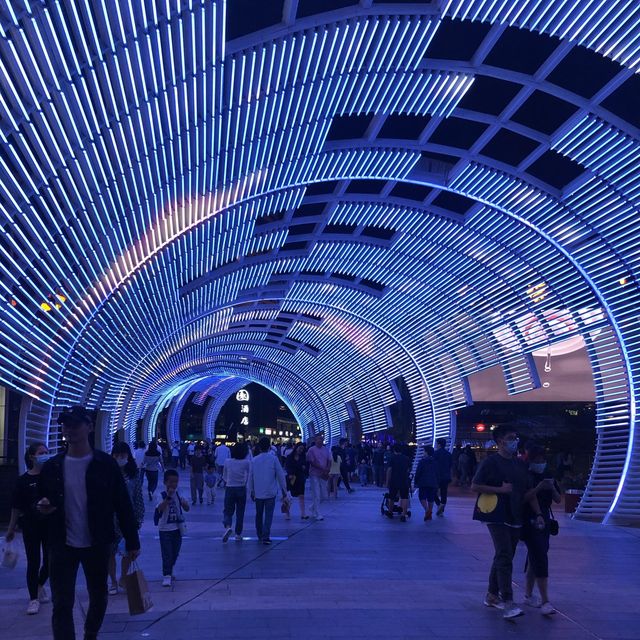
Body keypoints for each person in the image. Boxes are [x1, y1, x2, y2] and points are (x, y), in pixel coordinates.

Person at [37, 406, 140, 640]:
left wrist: (132, 541)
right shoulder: (53, 466)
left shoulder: (105, 464)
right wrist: (43, 507)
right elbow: (43, 500)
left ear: (90, 426)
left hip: (97, 541)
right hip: (61, 543)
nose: (69, 429)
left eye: (75, 424)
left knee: (99, 595)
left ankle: (90, 632)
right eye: (65, 424)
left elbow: (122, 504)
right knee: (61, 602)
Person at [471, 425, 533, 620]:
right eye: (510, 438)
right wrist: (500, 489)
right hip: (496, 513)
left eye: (515, 437)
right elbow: (475, 485)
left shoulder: (519, 464)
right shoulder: (491, 462)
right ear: (500, 442)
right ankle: (507, 601)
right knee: (505, 554)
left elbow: (525, 489)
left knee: (504, 554)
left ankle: (491, 594)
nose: (514, 441)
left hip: (516, 513)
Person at [6, 442, 52, 615]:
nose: (45, 455)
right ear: (32, 456)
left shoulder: (50, 477)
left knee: (50, 561)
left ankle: (39, 584)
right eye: (41, 452)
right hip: (31, 526)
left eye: (47, 452)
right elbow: (16, 506)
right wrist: (11, 528)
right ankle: (33, 598)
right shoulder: (23, 481)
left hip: (49, 525)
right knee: (33, 561)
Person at [522, 442, 561, 616]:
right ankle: (545, 600)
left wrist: (551, 487)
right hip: (528, 518)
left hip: (544, 518)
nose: (540, 462)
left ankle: (528, 594)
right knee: (539, 556)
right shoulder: (526, 475)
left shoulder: (547, 474)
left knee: (536, 556)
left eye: (542, 459)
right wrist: (538, 488)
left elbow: (558, 499)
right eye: (537, 459)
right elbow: (525, 497)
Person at [108, 441, 144, 595]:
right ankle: (113, 582)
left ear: (128, 456)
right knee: (109, 552)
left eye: (122, 455)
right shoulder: (107, 473)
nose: (120, 458)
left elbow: (137, 497)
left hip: (127, 518)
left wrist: (138, 518)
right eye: (116, 455)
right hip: (110, 518)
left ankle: (123, 577)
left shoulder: (134, 475)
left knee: (127, 551)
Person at [153, 469, 189, 587]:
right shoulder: (160, 494)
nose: (173, 484)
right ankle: (167, 575)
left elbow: (187, 508)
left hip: (177, 528)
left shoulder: (179, 493)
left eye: (176, 482)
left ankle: (170, 569)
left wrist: (185, 504)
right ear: (165, 482)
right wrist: (168, 497)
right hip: (165, 529)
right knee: (167, 553)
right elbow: (160, 508)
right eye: (171, 482)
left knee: (175, 552)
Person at [248, 437, 288, 544]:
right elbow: (280, 475)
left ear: (259, 447)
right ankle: (266, 536)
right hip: (271, 492)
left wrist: (251, 490)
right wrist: (284, 490)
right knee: (269, 515)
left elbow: (250, 477)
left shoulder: (254, 460)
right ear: (269, 447)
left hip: (258, 492)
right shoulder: (273, 459)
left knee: (259, 514)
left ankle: (259, 534)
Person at [222, 442, 251, 542]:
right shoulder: (246, 462)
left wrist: (228, 481)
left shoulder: (227, 461)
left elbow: (224, 476)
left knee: (228, 510)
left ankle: (228, 527)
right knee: (240, 512)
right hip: (241, 488)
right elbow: (249, 475)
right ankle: (238, 534)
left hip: (230, 487)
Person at [306, 433, 331, 521]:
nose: (320, 440)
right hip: (314, 474)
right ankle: (317, 513)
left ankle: (312, 507)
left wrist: (327, 469)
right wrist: (322, 468)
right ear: (315, 440)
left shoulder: (326, 450)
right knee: (316, 493)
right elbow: (311, 462)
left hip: (323, 475)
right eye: (318, 439)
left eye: (321, 439)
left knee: (324, 495)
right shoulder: (311, 450)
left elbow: (329, 460)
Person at [386, 444, 411, 521]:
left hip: (394, 480)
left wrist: (387, 481)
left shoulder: (392, 458)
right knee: (404, 497)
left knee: (392, 497)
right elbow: (409, 469)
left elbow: (389, 470)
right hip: (404, 480)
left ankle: (390, 512)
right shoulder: (406, 458)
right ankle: (403, 514)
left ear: (394, 450)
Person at [414, 445, 439, 521]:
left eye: (424, 451)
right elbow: (438, 473)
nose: (423, 453)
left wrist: (416, 481)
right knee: (431, 498)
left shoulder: (422, 461)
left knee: (422, 497)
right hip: (433, 482)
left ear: (427, 452)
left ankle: (427, 510)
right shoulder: (436, 462)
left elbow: (418, 472)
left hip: (423, 482)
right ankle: (429, 513)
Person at [285, 442, 308, 520]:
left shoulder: (303, 458)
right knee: (289, 497)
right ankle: (287, 513)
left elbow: (305, 468)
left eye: (302, 449)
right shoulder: (289, 457)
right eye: (300, 448)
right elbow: (287, 467)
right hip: (291, 478)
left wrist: (304, 470)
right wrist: (291, 473)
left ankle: (303, 513)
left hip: (300, 479)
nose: (301, 450)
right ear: (296, 447)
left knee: (301, 496)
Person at [433, 438, 452, 516]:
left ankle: (439, 505)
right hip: (446, 476)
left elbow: (432, 465)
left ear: (439, 444)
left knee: (433, 492)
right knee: (444, 493)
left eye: (436, 443)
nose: (435, 445)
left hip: (437, 476)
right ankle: (441, 507)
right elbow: (451, 466)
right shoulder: (449, 454)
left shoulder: (435, 454)